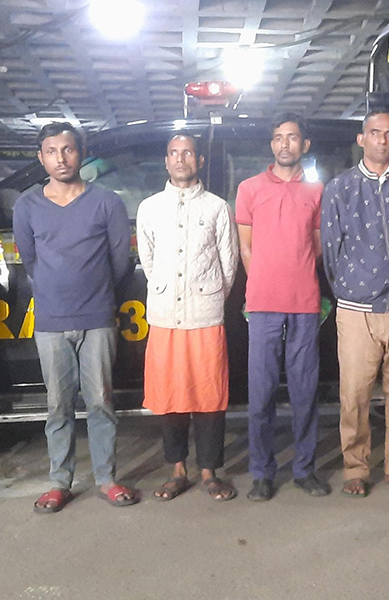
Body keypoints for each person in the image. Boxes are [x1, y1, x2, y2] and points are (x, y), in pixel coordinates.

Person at [13, 122, 138, 513]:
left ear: (80, 154)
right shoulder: (27, 206)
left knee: (101, 401)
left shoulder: (106, 203)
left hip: (97, 318)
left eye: (68, 149)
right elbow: (30, 260)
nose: (61, 158)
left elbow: (120, 262)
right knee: (58, 406)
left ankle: (107, 479)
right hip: (50, 322)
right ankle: (59, 482)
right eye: (52, 151)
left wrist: (96, 293)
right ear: (41, 158)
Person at [321, 110, 389, 497]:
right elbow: (330, 251)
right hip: (356, 311)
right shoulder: (340, 188)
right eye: (374, 133)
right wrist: (352, 288)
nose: (382, 140)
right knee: (355, 394)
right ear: (361, 139)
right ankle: (356, 468)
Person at [138, 133, 239, 502]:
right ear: (166, 161)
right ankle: (177, 470)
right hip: (165, 316)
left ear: (200, 161)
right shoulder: (150, 208)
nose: (180, 159)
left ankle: (210, 471)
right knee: (170, 395)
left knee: (209, 395)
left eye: (188, 153)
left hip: (205, 316)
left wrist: (206, 297)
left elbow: (229, 264)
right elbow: (148, 261)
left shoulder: (217, 208)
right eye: (174, 153)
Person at [236, 114, 331, 501]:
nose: (285, 144)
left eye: (292, 138)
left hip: (305, 303)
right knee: (261, 394)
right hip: (262, 305)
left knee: (305, 391)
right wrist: (264, 280)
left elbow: (317, 245)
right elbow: (245, 247)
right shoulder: (249, 189)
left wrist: (296, 272)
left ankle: (305, 469)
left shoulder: (316, 191)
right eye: (278, 138)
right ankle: (262, 472)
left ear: (304, 145)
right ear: (272, 144)